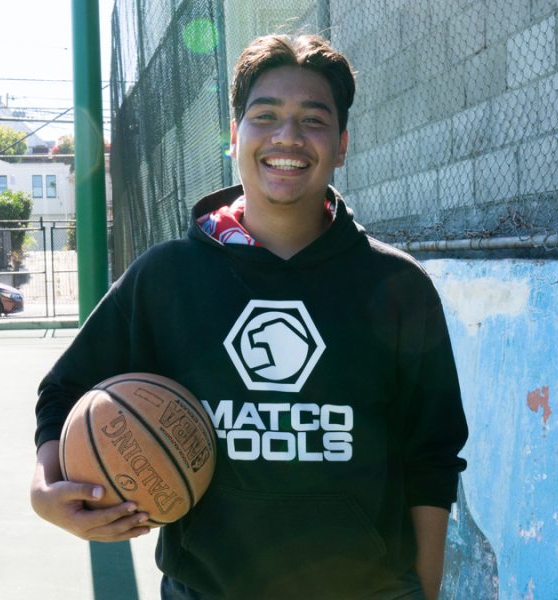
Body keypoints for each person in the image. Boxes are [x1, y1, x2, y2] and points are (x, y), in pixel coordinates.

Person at [31, 33, 468, 600]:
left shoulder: (397, 286)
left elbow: (430, 454)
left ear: (341, 145)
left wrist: (425, 593)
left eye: (314, 121)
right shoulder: (167, 278)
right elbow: (65, 389)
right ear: (235, 137)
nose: (288, 136)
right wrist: (45, 489)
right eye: (265, 116)